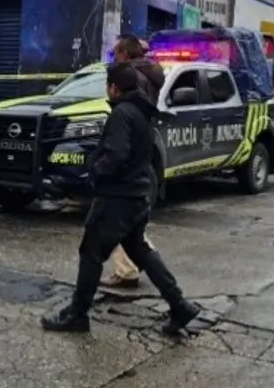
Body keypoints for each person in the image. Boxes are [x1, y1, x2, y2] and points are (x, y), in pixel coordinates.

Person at [41, 62, 200, 334]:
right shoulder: (141, 111)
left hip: (117, 198)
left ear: (113, 87)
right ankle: (179, 304)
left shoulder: (122, 114)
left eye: (107, 84)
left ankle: (77, 315)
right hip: (137, 195)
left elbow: (116, 155)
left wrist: (95, 173)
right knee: (140, 250)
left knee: (91, 252)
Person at [100, 34, 166, 289]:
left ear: (125, 55)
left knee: (115, 218)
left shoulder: (130, 80)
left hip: (126, 154)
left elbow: (117, 148)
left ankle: (128, 271)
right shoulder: (150, 72)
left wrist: (100, 170)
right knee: (131, 226)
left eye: (116, 54)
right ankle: (137, 270)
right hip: (142, 149)